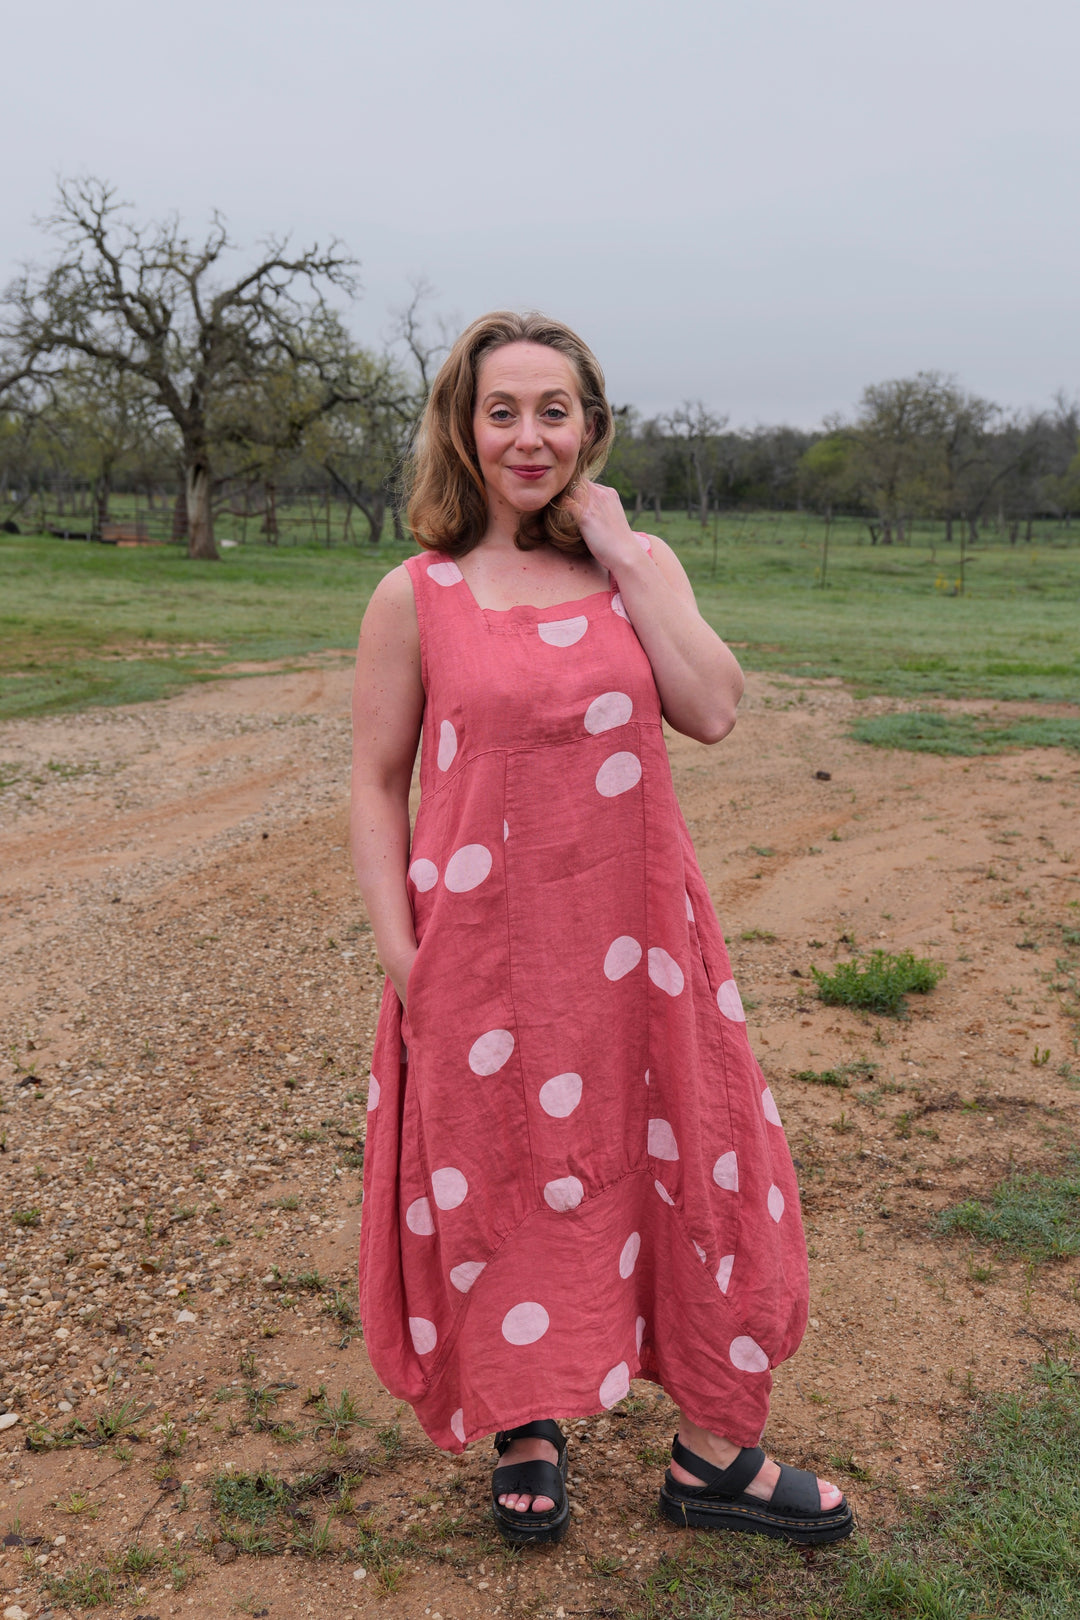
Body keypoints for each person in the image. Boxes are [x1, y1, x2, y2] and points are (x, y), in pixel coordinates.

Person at [349, 311, 853, 1548]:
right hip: (484, 955)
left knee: (699, 1159)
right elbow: (374, 780)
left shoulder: (640, 565)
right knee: (509, 1176)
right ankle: (528, 1421)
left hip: (641, 948)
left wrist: (625, 550)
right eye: (503, 409)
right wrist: (401, 955)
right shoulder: (418, 593)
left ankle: (714, 1457)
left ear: (592, 425)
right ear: (464, 429)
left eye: (554, 409)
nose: (529, 435)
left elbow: (715, 710)